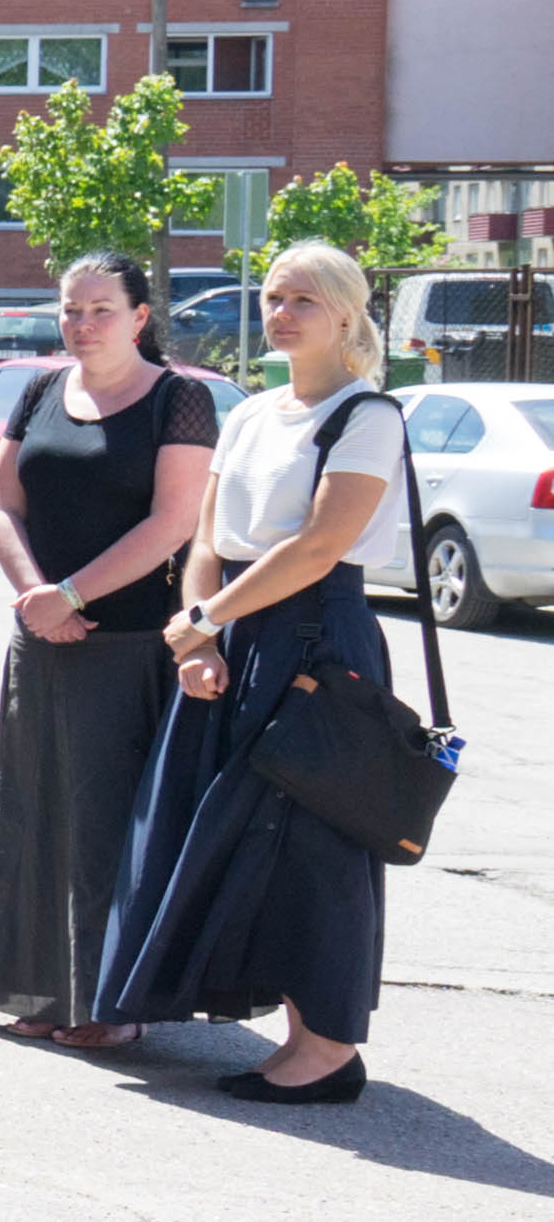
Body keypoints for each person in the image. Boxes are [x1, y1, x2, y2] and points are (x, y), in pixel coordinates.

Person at [93, 243, 413, 1106]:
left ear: (345, 313)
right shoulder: (249, 413)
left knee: (312, 840)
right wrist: (198, 640)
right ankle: (293, 1035)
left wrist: (206, 619)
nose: (280, 312)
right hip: (231, 630)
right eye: (272, 297)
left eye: (302, 299)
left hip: (316, 638)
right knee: (230, 832)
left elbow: (317, 546)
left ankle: (327, 1046)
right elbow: (206, 537)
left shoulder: (366, 415)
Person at [0, 251, 216, 1045]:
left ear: (139, 317)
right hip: (39, 638)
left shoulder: (178, 398)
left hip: (127, 642)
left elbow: (174, 522)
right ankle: (36, 989)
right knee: (27, 812)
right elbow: (0, 504)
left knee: (106, 824)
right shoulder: (38, 390)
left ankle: (109, 1005)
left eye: (101, 309)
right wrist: (36, 595)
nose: (82, 323)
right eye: (70, 308)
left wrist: (70, 595)